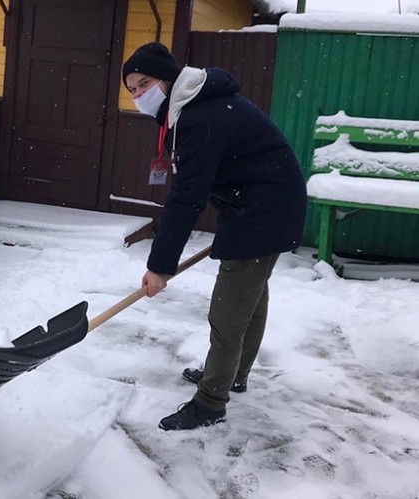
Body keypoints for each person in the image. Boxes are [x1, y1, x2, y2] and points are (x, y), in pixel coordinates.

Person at [122, 42, 307, 431]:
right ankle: (233, 375)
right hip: (260, 206)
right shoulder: (194, 105)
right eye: (132, 89)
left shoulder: (199, 116)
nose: (139, 95)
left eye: (144, 84)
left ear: (168, 80)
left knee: (228, 311)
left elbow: (186, 197)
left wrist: (160, 266)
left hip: (263, 211)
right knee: (250, 299)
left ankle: (210, 402)